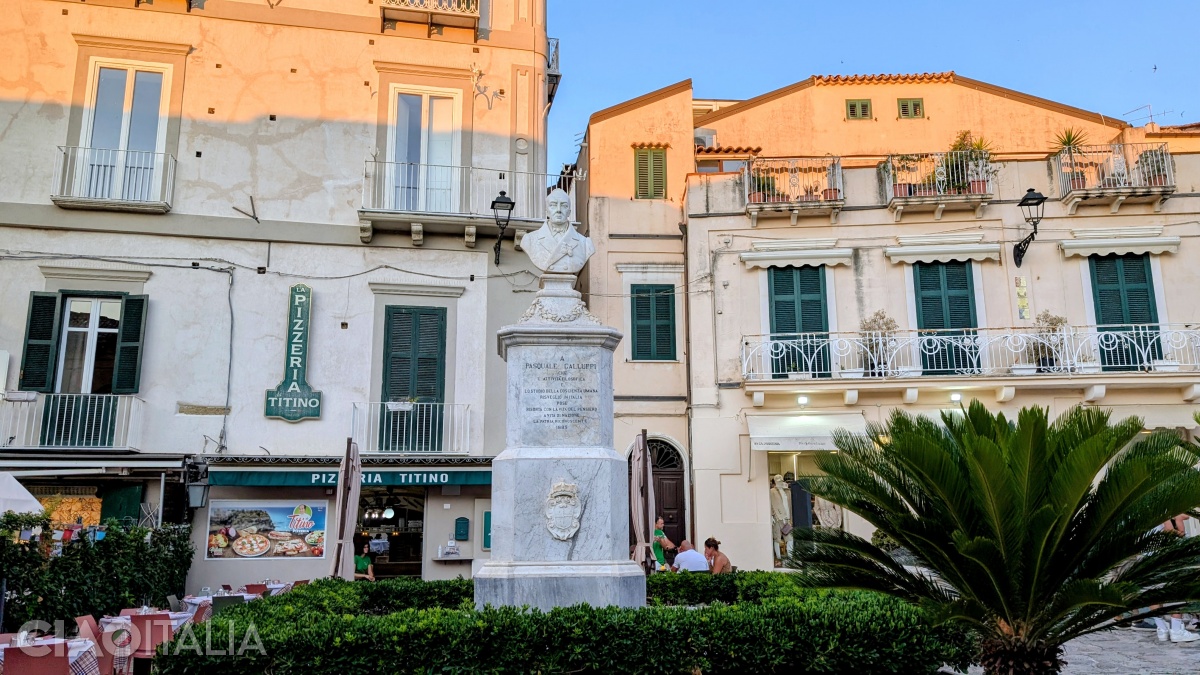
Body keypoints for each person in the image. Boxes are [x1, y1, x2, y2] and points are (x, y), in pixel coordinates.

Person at [520, 188, 595, 274]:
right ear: (547, 212)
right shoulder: (529, 240)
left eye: (564, 206)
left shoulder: (585, 243)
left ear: (569, 212)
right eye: (553, 205)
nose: (559, 210)